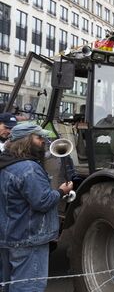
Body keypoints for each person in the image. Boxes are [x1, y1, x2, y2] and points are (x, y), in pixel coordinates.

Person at [0, 124, 73, 292]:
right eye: (38, 138)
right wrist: (62, 191)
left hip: (8, 236)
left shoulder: (5, 163)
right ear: (26, 141)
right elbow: (43, 201)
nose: (43, 141)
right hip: (28, 238)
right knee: (27, 287)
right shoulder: (29, 168)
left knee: (8, 285)